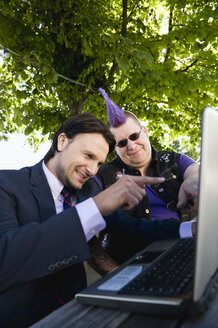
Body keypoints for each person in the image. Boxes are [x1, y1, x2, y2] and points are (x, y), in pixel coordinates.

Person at [0, 112, 184, 328]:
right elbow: (8, 258)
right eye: (88, 156)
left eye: (99, 163)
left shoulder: (90, 188)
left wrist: (190, 229)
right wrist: (94, 208)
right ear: (62, 141)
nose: (92, 170)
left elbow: (129, 228)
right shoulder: (7, 184)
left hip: (83, 313)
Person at [94, 89, 199, 264]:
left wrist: (193, 182)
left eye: (134, 136)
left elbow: (195, 172)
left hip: (190, 248)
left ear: (145, 130)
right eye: (122, 143)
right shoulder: (104, 176)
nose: (131, 146)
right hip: (138, 262)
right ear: (115, 148)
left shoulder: (174, 160)